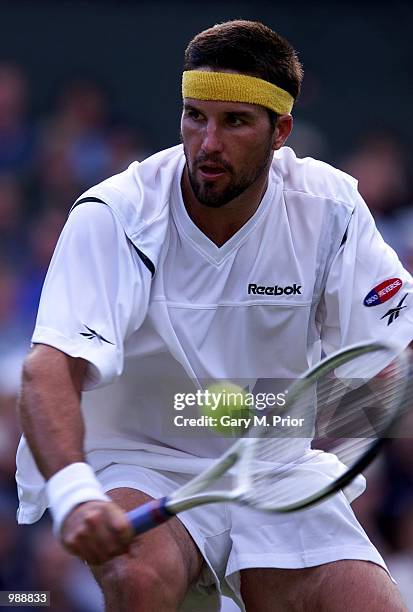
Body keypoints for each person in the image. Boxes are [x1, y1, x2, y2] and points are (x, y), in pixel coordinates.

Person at [16, 20, 413, 611]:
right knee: (136, 577)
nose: (207, 143)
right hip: (141, 459)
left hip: (278, 467)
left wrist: (292, 418)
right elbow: (46, 372)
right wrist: (76, 494)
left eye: (234, 122)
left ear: (280, 131)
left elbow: (394, 362)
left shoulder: (330, 208)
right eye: (194, 115)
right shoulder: (116, 213)